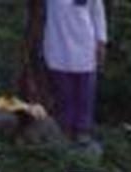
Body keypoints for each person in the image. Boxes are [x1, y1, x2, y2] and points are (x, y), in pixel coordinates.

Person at [43, 0, 107, 144]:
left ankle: (82, 130)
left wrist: (101, 42)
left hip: (85, 45)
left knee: (85, 93)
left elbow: (98, 14)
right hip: (58, 45)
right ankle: (65, 129)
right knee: (64, 93)